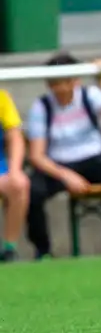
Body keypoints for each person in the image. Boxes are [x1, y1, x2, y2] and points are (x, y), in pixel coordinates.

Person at [25, 53, 101, 258]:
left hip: (95, 160)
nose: (57, 88)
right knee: (33, 192)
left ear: (75, 81)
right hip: (58, 165)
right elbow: (37, 156)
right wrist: (65, 175)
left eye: (62, 82)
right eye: (52, 83)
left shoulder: (89, 95)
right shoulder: (42, 107)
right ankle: (42, 250)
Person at [0, 89, 28, 262]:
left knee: (19, 184)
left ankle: (9, 250)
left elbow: (15, 136)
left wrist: (15, 170)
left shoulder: (1, 98)